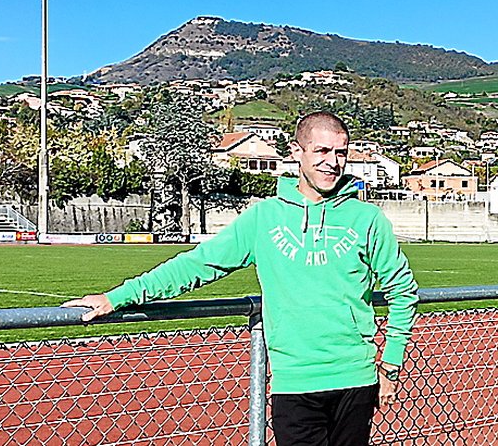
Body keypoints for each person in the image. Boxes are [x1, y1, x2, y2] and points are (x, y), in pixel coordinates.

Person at [62, 111, 419, 445]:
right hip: (295, 382)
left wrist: (390, 364)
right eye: (321, 150)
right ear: (297, 152)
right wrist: (118, 297)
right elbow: (196, 266)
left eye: (340, 152)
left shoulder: (366, 219)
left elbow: (403, 291)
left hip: (355, 378)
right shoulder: (264, 218)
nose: (332, 161)